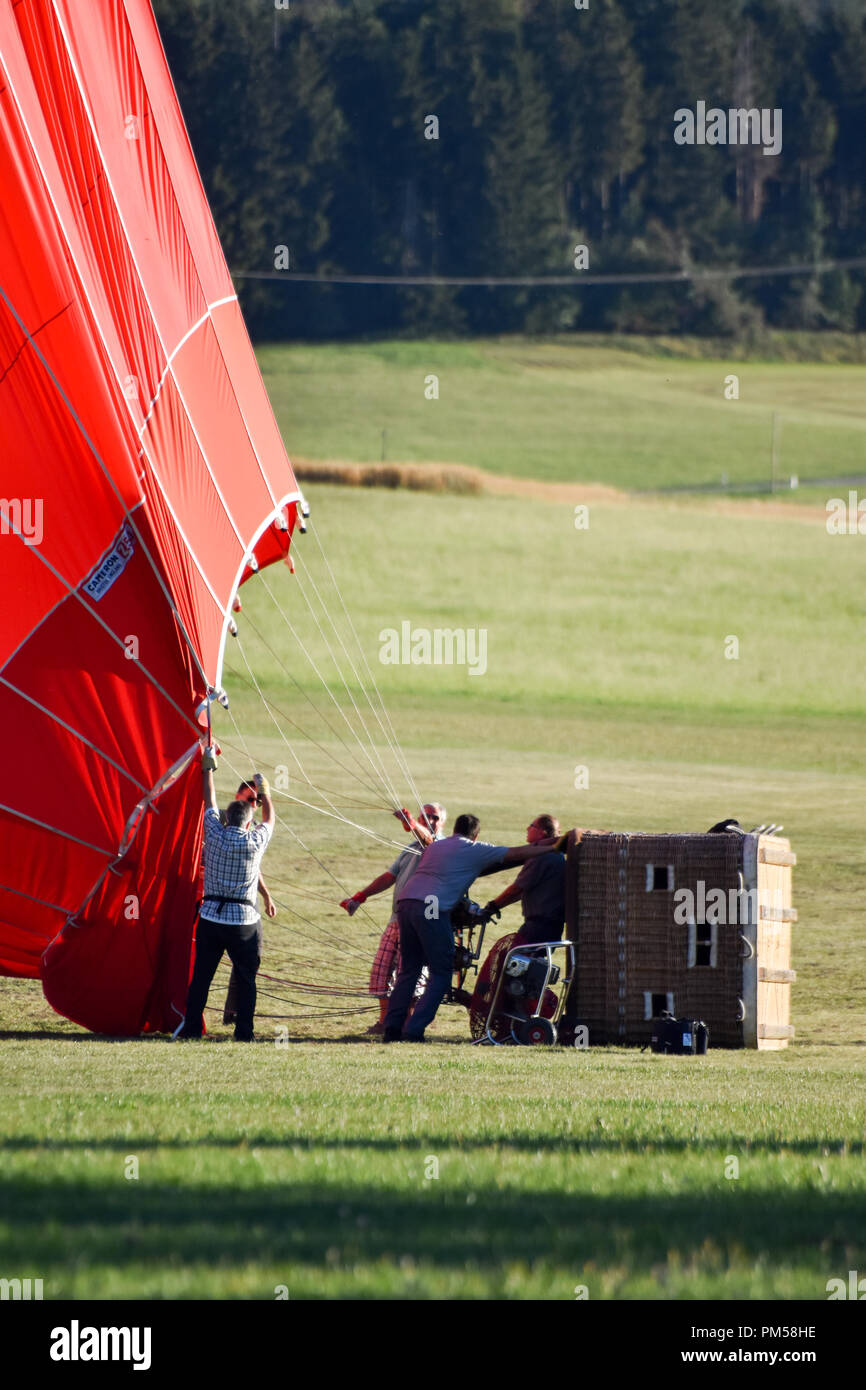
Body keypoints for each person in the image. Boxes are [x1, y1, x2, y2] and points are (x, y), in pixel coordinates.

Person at [383, 813, 564, 1043]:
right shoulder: (475, 849)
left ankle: (392, 1029)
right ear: (475, 835)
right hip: (431, 907)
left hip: (406, 903)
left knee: (409, 970)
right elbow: (518, 853)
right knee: (441, 972)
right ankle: (413, 1031)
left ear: (454, 829)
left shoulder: (436, 846)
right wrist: (559, 843)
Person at [177, 745, 274, 1041]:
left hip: (210, 919)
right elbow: (270, 818)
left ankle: (192, 1028)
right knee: (246, 980)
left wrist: (208, 767)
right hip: (244, 922)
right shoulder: (255, 841)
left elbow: (209, 800)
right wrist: (265, 789)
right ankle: (244, 1033)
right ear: (248, 822)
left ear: (227, 819)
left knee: (201, 979)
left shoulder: (214, 834)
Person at [341, 803, 446, 1034]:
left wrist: (412, 822)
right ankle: (384, 1022)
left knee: (411, 974)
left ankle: (408, 1023)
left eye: (435, 817)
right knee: (381, 970)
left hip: (420, 922)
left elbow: (428, 838)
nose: (430, 820)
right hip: (396, 919)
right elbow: (389, 876)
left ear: (443, 823)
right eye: (425, 816)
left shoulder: (441, 847)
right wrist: (360, 896)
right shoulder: (409, 848)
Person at [223, 781, 277, 1025]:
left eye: (257, 801)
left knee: (250, 959)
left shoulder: (252, 828)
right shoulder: (227, 821)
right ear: (237, 797)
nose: (254, 805)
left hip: (247, 901)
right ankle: (237, 1018)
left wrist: (265, 896)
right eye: (250, 799)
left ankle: (233, 1012)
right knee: (237, 958)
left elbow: (254, 867)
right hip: (226, 903)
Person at [483, 814, 565, 947]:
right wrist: (497, 906)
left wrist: (493, 906)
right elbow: (523, 891)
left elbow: (517, 888)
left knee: (509, 958)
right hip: (550, 926)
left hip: (538, 927)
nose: (527, 828)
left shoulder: (541, 856)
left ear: (542, 833)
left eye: (532, 826)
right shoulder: (556, 855)